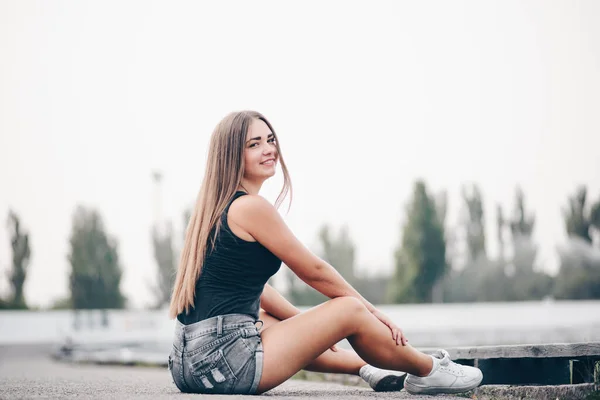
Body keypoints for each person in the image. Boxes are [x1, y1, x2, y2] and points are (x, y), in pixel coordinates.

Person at [167, 110, 483, 396]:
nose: (269, 149)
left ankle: (366, 366)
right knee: (349, 309)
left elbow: (253, 289)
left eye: (270, 139)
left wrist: (307, 325)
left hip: (189, 363)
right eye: (254, 144)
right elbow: (313, 271)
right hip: (224, 364)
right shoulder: (249, 207)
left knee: (271, 318)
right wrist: (373, 313)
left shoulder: (212, 210)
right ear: (231, 155)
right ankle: (427, 370)